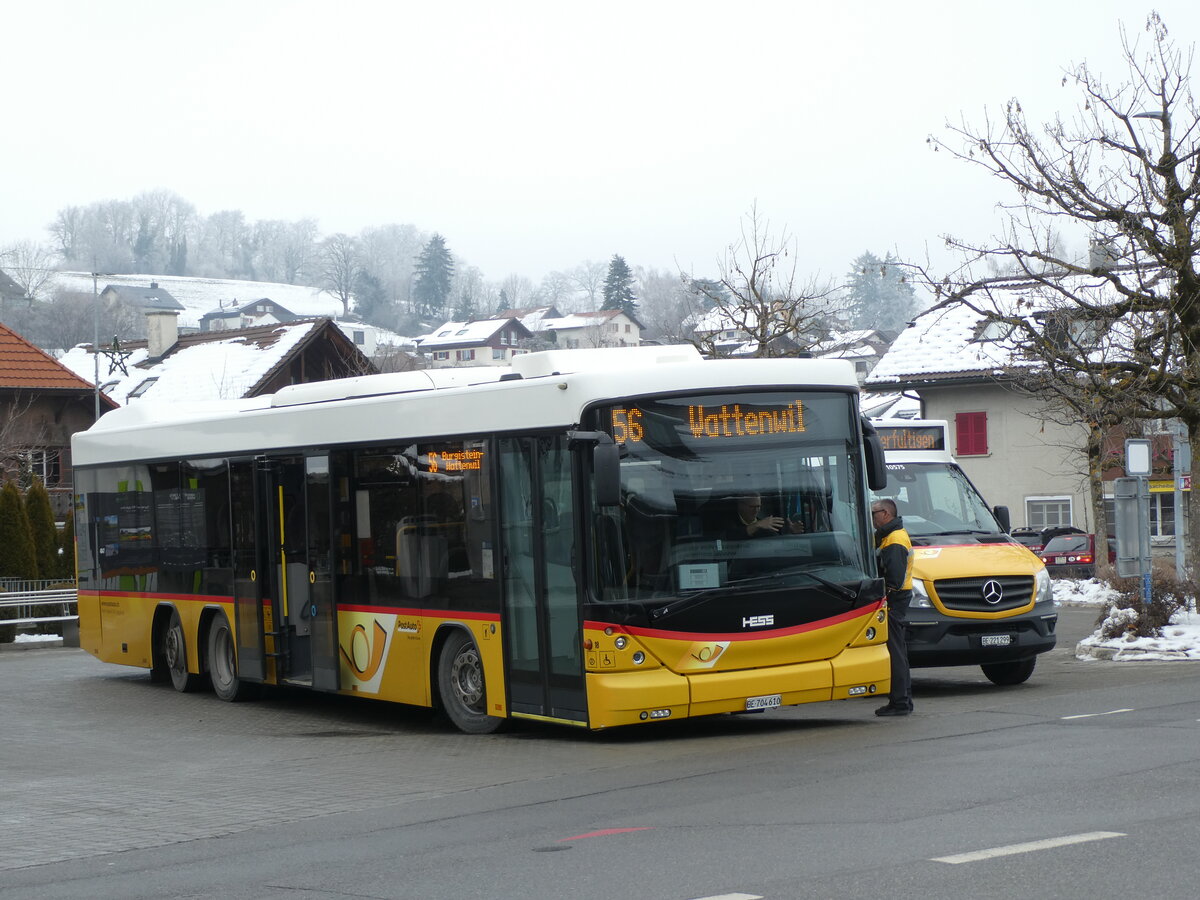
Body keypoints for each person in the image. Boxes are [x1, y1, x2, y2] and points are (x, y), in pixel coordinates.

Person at [872, 498, 914, 716]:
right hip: (899, 598)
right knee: (899, 650)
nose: (872, 518)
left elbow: (894, 580)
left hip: (895, 600)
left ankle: (899, 702)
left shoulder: (894, 539)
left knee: (895, 651)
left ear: (886, 514)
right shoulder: (890, 536)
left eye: (874, 513)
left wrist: (883, 596)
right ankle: (903, 699)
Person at [728, 493, 803, 539]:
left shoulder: (766, 528)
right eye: (752, 507)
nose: (756, 510)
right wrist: (756, 526)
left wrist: (791, 534)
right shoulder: (727, 523)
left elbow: (778, 546)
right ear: (740, 505)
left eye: (758, 506)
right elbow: (728, 538)